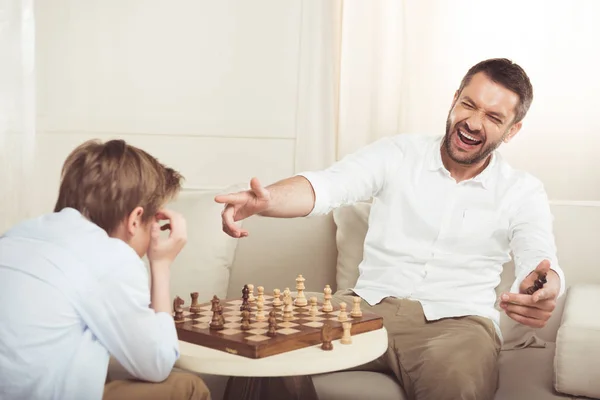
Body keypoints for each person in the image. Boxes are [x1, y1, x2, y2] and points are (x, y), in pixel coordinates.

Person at [214, 58, 565, 400]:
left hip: (459, 325)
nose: (473, 122)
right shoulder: (398, 153)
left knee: (459, 386)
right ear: (454, 99)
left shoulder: (522, 190)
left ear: (511, 131)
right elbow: (329, 185)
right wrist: (267, 199)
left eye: (492, 117)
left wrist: (544, 285)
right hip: (363, 308)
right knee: (259, 348)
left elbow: (538, 256)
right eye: (468, 105)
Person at [0, 140, 210, 400]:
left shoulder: (17, 235)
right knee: (189, 388)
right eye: (152, 224)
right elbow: (157, 363)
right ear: (135, 220)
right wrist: (161, 265)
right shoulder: (111, 257)